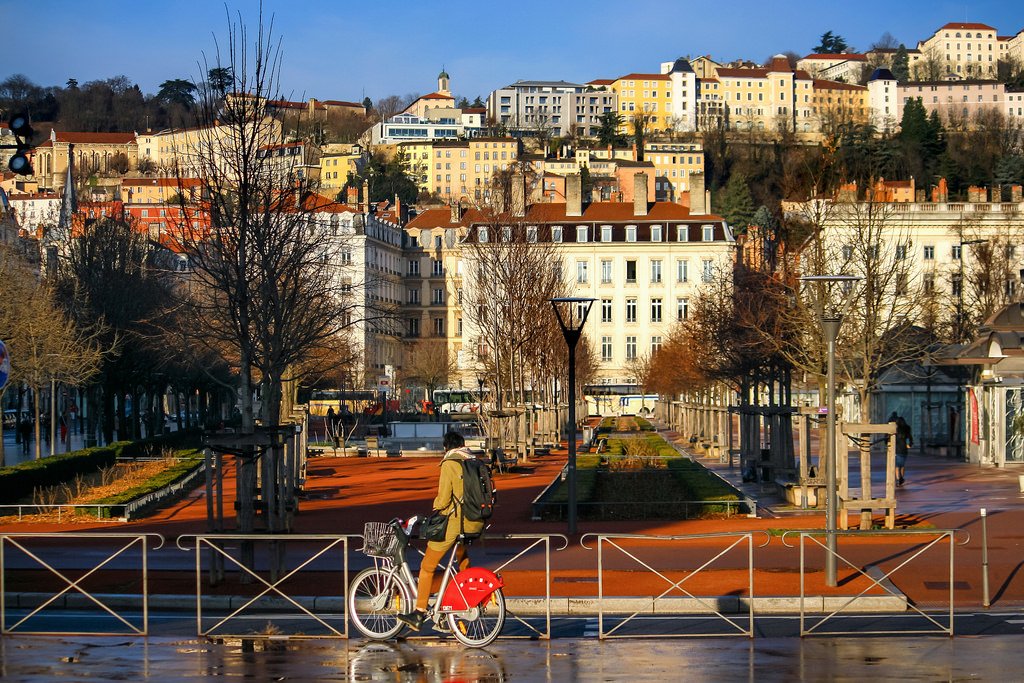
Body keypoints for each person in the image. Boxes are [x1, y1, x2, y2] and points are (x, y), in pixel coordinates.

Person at [398, 431, 485, 631]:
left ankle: (419, 613)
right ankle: (471, 596)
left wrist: (435, 507)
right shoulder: (473, 461)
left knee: (427, 566)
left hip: (456, 524)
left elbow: (444, 500)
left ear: (446, 447)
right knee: (463, 561)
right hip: (474, 522)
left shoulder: (450, 464)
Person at [894, 416, 913, 487]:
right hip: (904, 449)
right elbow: (910, 438)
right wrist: (909, 445)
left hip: (897, 449)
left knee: (897, 466)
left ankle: (898, 479)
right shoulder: (907, 429)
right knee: (902, 465)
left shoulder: (896, 429)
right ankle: (901, 477)